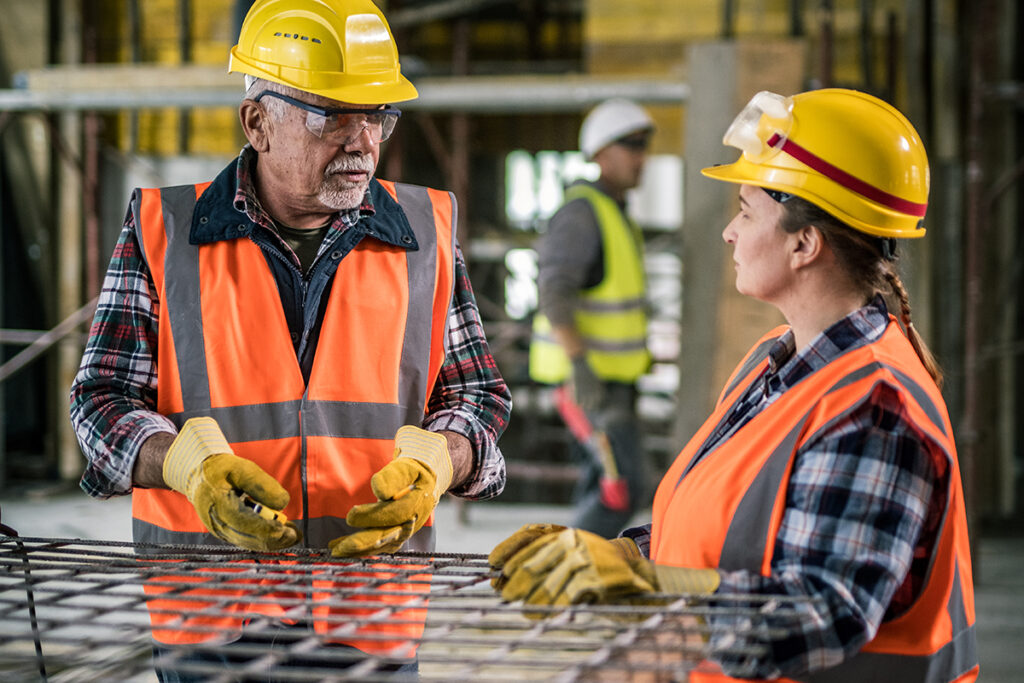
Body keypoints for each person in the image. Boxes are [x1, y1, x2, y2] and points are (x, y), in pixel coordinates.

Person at [68, 0, 510, 679]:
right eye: (331, 114)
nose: (361, 140)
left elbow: (476, 396)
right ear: (257, 122)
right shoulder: (163, 231)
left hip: (369, 611)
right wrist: (182, 465)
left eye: (378, 115)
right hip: (212, 615)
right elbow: (100, 402)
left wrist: (441, 461)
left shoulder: (427, 231)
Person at [490, 88, 978, 682]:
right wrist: (628, 554)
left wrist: (650, 588)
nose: (728, 232)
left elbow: (823, 610)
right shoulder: (771, 363)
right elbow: (729, 529)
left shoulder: (874, 411)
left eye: (746, 212)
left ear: (805, 244)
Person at [528, 98, 656, 538]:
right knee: (618, 488)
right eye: (631, 146)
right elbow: (553, 292)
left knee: (604, 484)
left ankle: (574, 580)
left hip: (610, 382)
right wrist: (579, 364)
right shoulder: (582, 214)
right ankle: (560, 574)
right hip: (586, 385)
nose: (642, 157)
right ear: (600, 153)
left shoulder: (616, 213)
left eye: (644, 146)